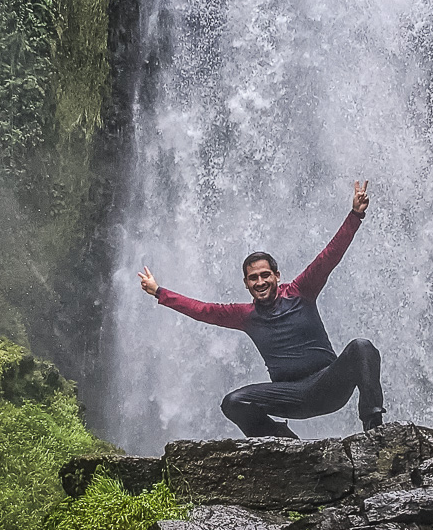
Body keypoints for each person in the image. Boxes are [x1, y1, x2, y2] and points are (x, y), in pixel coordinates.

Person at [138, 181, 385, 437]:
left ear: (277, 275)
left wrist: (355, 215)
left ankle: (374, 425)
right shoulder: (245, 316)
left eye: (265, 275)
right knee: (233, 402)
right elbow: (202, 310)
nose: (260, 282)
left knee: (361, 347)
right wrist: (159, 292)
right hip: (289, 396)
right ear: (246, 284)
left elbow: (329, 256)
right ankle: (282, 442)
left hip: (327, 384)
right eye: (253, 278)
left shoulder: (302, 291)